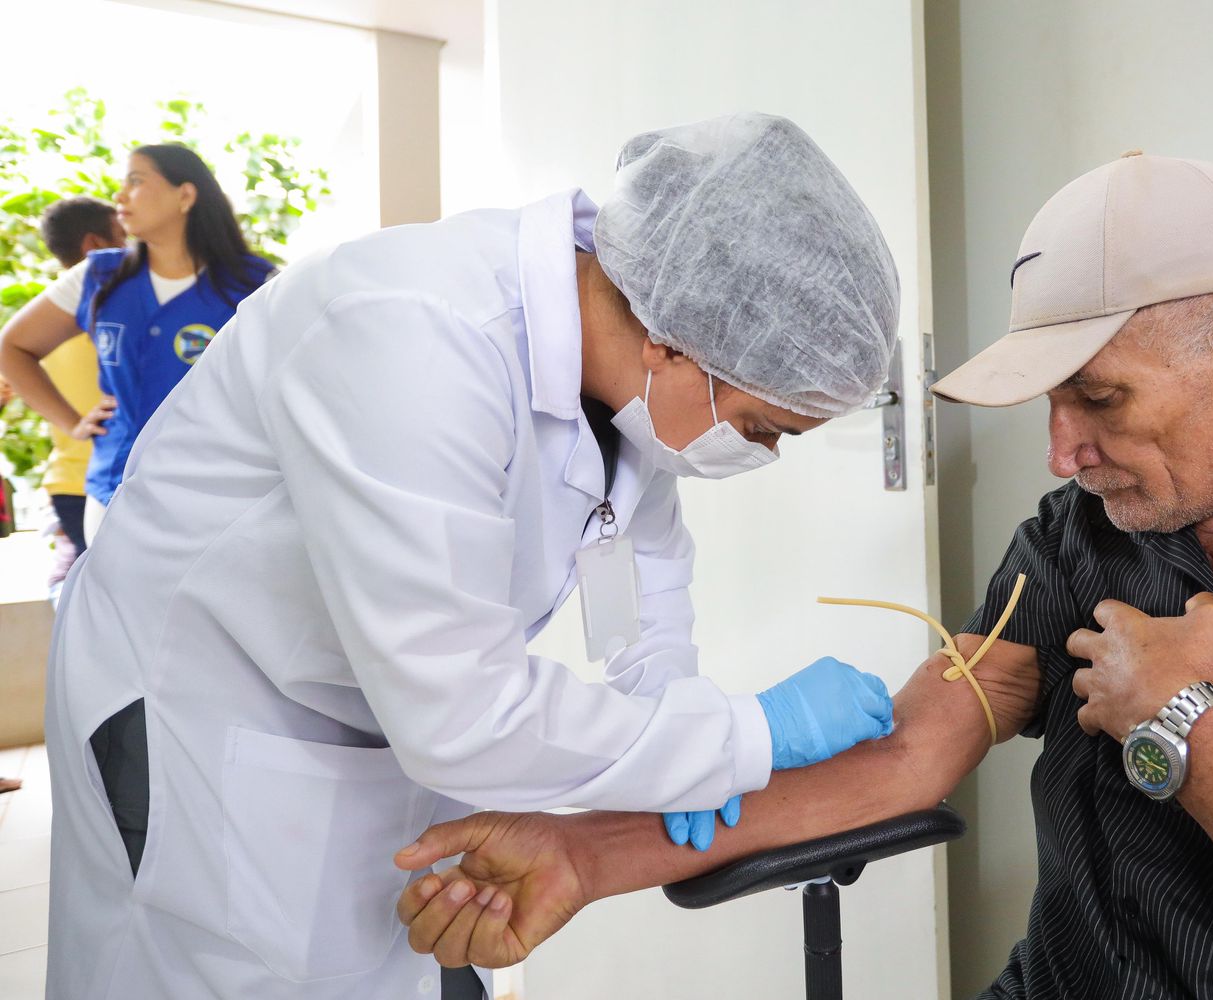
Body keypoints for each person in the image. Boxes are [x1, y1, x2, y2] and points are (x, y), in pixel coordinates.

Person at [393, 153, 1213, 997]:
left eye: (1100, 397)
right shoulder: (1086, 536)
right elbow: (913, 754)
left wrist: (1191, 727)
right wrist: (584, 855)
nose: (1063, 451)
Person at [41, 112, 902, 1000]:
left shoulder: (627, 388)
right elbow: (461, 710)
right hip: (204, 705)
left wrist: (676, 709)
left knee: (404, 953)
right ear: (677, 340)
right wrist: (747, 736)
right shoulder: (412, 332)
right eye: (764, 428)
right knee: (228, 973)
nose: (758, 455)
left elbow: (642, 574)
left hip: (379, 717)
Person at [0, 145, 275, 544]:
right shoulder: (99, 277)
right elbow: (13, 347)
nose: (120, 195)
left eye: (136, 180)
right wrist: (71, 421)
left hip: (220, 496)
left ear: (185, 195)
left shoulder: (254, 284)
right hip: (115, 492)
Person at [34, 197, 125, 570]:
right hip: (103, 484)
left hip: (68, 481)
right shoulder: (105, 307)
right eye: (122, 236)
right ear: (95, 246)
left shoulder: (43, 315)